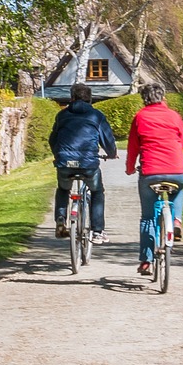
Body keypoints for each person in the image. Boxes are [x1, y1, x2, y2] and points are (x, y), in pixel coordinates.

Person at [125, 82, 183, 275]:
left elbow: (133, 147)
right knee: (179, 187)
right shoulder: (175, 116)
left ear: (144, 98)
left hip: (150, 172)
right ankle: (176, 221)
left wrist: (129, 169)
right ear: (162, 97)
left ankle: (146, 261)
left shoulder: (140, 117)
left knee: (147, 217)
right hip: (176, 170)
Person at [50, 82, 118, 245]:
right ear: (90, 99)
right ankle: (97, 231)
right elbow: (107, 140)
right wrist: (112, 154)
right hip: (88, 164)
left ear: (72, 98)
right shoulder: (97, 116)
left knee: (63, 188)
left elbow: (53, 139)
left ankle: (60, 219)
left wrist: (58, 154)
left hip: (65, 162)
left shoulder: (62, 116)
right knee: (97, 191)